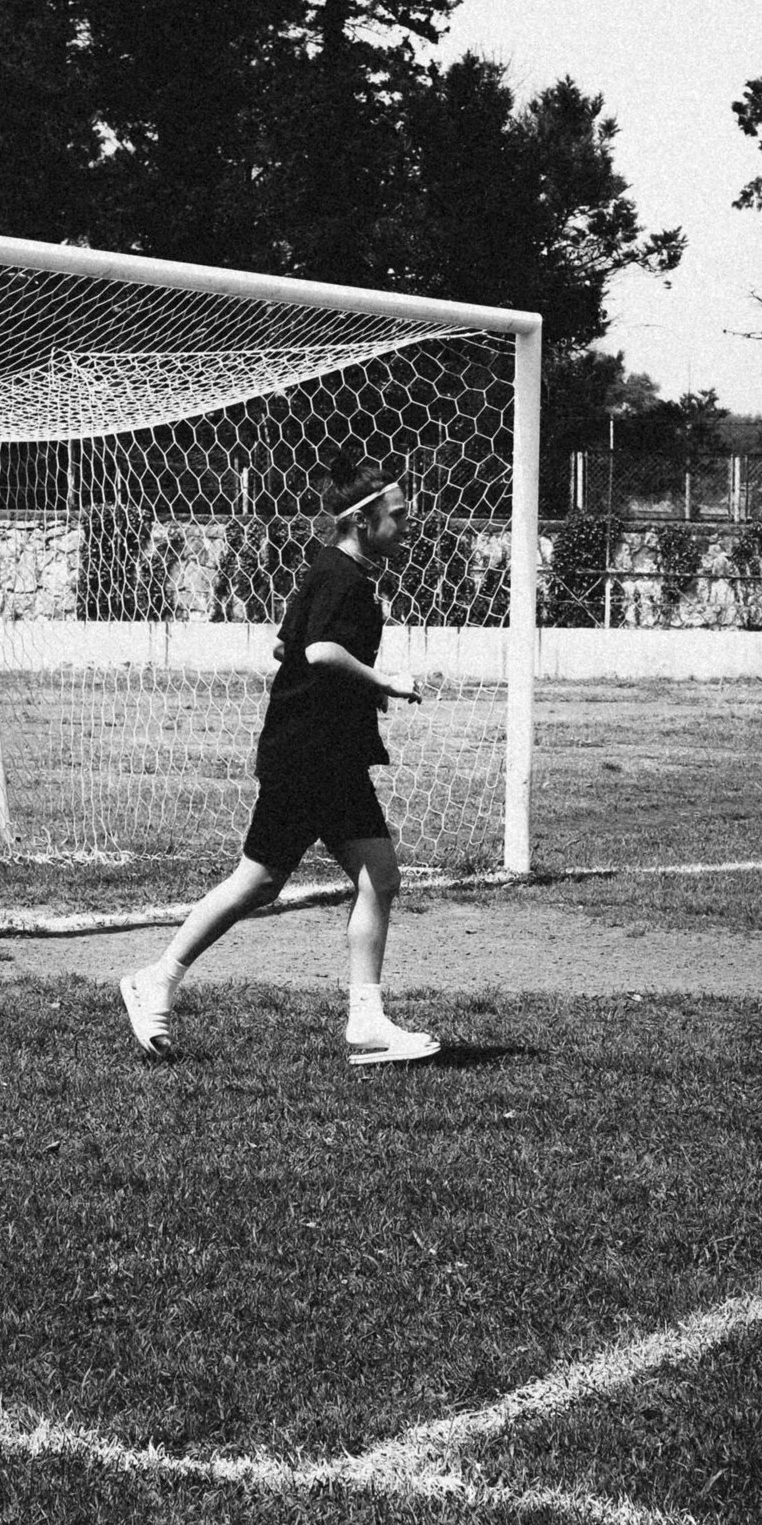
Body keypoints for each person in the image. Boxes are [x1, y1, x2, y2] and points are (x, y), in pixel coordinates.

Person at [119, 446, 441, 1065]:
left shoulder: (326, 572)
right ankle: (156, 979)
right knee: (271, 881)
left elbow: (281, 647)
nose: (406, 525)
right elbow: (317, 651)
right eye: (397, 516)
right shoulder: (341, 578)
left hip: (323, 752)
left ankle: (365, 1020)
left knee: (347, 877)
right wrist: (382, 681)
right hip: (311, 756)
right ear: (361, 520)